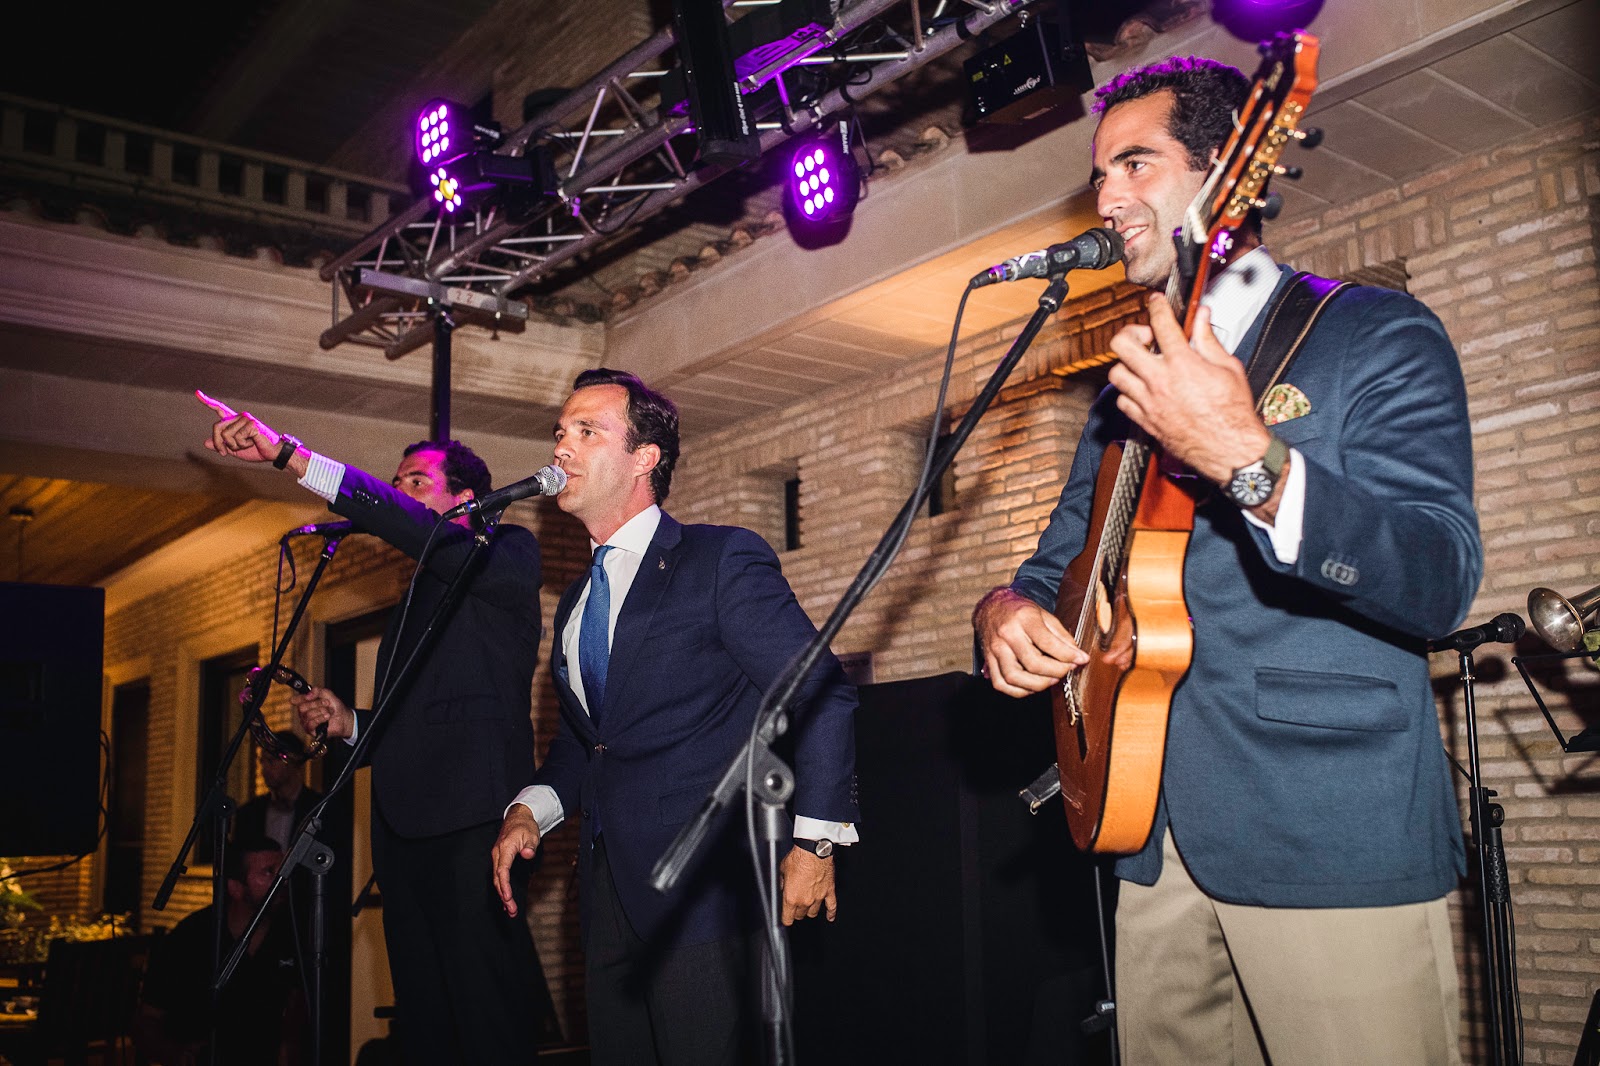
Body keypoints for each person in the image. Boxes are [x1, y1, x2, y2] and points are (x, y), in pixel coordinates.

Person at [972, 57, 1482, 1065]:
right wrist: (1003, 612)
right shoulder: (1120, 396)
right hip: (1147, 834)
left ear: (1228, 173)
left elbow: (1436, 576)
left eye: (1136, 164)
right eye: (1099, 174)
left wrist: (1250, 461)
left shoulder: (1371, 332)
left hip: (1324, 832)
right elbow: (1051, 565)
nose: (1106, 197)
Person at [490, 369, 859, 1065]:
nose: (562, 447)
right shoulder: (574, 602)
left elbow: (823, 693)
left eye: (587, 431)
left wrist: (815, 844)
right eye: (560, 432)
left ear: (645, 458)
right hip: (608, 903)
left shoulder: (719, 559)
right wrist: (528, 812)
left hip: (706, 899)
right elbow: (586, 745)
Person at [195, 392, 548, 1066]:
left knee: (486, 1017)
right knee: (424, 1019)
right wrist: (350, 721)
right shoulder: (416, 595)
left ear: (466, 499)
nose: (400, 493)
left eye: (416, 482)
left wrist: (290, 456)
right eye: (397, 483)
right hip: (403, 830)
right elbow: (414, 716)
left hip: (475, 824)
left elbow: (417, 527)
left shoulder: (506, 551)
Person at [134, 835, 306, 1066]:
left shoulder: (292, 933)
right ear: (236, 888)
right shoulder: (192, 936)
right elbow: (149, 1017)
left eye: (283, 869)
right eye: (268, 872)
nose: (282, 880)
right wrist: (176, 1054)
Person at [235, 730, 323, 852]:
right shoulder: (249, 814)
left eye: (271, 761)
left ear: (294, 762)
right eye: (262, 761)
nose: (264, 768)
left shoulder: (318, 809)